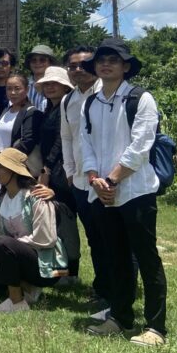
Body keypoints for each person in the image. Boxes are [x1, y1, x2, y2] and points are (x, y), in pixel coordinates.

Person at [80, 39, 168, 346]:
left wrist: (113, 180)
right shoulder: (91, 102)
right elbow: (85, 145)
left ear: (125, 66)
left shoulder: (140, 99)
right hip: (102, 192)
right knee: (115, 257)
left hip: (135, 191)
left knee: (146, 258)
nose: (106, 64)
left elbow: (141, 146)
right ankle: (120, 317)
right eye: (101, 60)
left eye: (113, 60)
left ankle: (156, 328)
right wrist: (94, 179)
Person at [0, 148, 68, 313]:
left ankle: (17, 301)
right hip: (10, 252)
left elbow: (46, 239)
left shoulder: (36, 197)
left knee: (3, 244)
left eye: (0, 167)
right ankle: (24, 286)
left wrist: (8, 246)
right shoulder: (2, 199)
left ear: (15, 171)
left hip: (40, 260)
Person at [59, 45, 110, 315]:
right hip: (79, 180)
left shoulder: (106, 92)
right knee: (94, 236)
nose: (78, 69)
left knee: (112, 234)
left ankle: (119, 285)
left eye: (83, 64)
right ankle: (103, 287)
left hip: (105, 178)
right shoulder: (69, 100)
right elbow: (67, 137)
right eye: (72, 66)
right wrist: (69, 170)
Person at [35, 66, 81, 283]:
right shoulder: (49, 108)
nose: (50, 87)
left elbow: (60, 142)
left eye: (55, 83)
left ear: (65, 86)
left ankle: (71, 271)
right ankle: (61, 268)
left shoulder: (66, 106)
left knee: (65, 219)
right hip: (54, 170)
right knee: (56, 220)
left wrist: (47, 169)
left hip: (62, 172)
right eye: (47, 83)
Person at [0, 74, 43, 175]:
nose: (13, 92)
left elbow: (28, 141)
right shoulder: (6, 111)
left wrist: (6, 159)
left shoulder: (32, 112)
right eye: (9, 89)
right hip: (0, 165)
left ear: (27, 89)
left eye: (17, 88)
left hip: (17, 167)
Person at [24, 44, 57, 111]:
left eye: (42, 60)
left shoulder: (58, 85)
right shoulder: (24, 85)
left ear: (50, 63)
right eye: (34, 60)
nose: (37, 63)